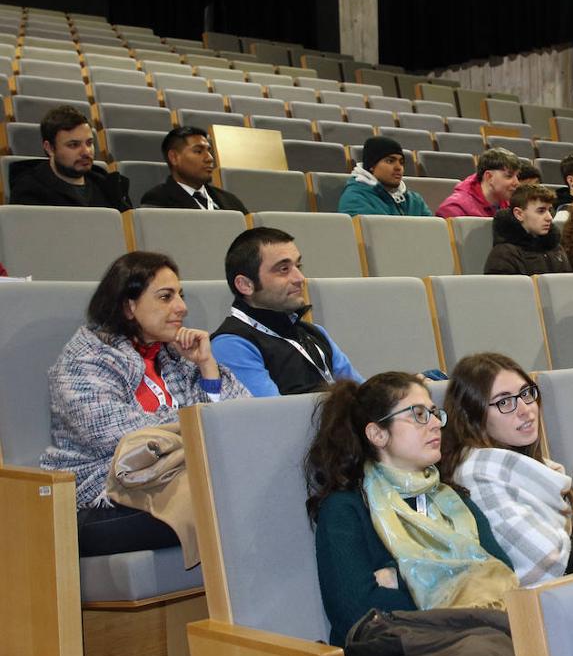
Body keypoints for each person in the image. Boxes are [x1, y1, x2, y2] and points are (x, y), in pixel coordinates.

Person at [303, 372, 531, 656]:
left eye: (434, 413)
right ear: (378, 434)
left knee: (510, 652)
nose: (435, 426)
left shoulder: (454, 501)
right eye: (418, 415)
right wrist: (457, 588)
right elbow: (355, 614)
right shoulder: (347, 509)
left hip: (478, 645)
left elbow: (501, 575)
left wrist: (399, 582)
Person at [41, 252, 249, 556]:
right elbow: (112, 433)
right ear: (128, 306)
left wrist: (207, 368)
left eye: (180, 295)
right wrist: (198, 424)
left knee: (248, 493)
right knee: (233, 503)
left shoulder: (175, 354)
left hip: (176, 482)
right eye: (166, 297)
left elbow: (243, 416)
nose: (182, 307)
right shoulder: (84, 359)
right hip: (99, 498)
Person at [439, 353, 573, 586]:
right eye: (504, 402)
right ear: (472, 416)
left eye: (526, 394)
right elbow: (549, 562)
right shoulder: (477, 476)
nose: (525, 409)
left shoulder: (539, 466)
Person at [211, 227, 363, 397]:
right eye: (283, 269)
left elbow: (363, 396)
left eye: (298, 266)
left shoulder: (315, 333)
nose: (299, 278)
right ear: (245, 284)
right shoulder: (232, 344)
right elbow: (275, 415)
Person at [9, 104, 131, 211]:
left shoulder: (109, 187)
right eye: (74, 145)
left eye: (89, 143)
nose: (86, 152)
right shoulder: (28, 191)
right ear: (49, 148)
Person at [139, 126, 249, 213]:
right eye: (198, 151)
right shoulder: (157, 201)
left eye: (209, 151)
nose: (210, 158)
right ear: (174, 157)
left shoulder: (230, 200)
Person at [483, 183, 569, 276]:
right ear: (519, 214)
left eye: (550, 210)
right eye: (541, 211)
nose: (549, 218)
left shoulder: (556, 248)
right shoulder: (503, 255)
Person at [336, 136, 432, 217]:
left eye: (401, 162)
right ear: (372, 166)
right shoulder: (355, 198)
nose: (398, 167)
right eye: (390, 161)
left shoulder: (415, 201)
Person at [435, 148, 521, 218]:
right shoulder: (454, 209)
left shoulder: (512, 207)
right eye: (509, 176)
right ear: (489, 177)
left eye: (517, 176)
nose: (516, 183)